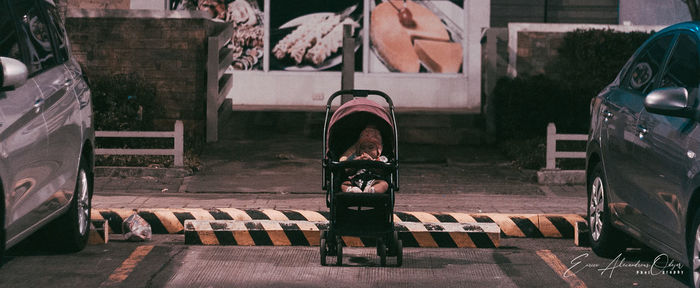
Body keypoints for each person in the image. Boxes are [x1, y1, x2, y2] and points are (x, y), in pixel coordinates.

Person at [339, 125, 390, 193]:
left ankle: (372, 190)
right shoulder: (355, 158)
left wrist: (371, 162)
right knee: (344, 184)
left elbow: (382, 171)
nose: (366, 150)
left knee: (384, 184)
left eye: (370, 147)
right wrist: (356, 162)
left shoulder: (381, 159)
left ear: (378, 151)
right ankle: (352, 190)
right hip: (356, 181)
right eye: (363, 148)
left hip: (374, 181)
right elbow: (348, 171)